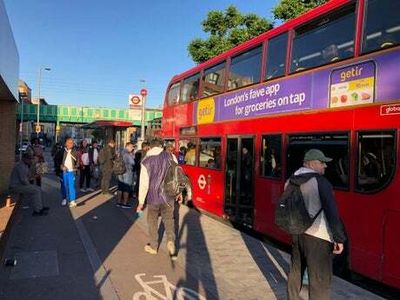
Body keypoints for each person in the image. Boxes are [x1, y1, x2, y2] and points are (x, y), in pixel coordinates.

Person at [287, 149, 346, 300]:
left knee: (295, 271)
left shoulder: (291, 180)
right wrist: (339, 239)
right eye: (322, 163)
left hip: (297, 234)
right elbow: (332, 214)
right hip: (318, 237)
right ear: (312, 163)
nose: (325, 166)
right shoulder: (321, 182)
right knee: (319, 280)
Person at [137, 138, 192, 258]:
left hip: (153, 197)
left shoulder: (146, 161)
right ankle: (171, 241)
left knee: (152, 221)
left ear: (150, 147)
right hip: (168, 196)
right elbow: (177, 175)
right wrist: (179, 194)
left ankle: (153, 246)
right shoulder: (170, 156)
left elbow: (143, 183)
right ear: (161, 146)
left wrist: (141, 202)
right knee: (169, 220)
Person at [54, 137, 79, 207]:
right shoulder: (61, 151)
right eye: (70, 142)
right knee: (64, 186)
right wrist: (61, 166)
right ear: (66, 143)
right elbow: (56, 160)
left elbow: (78, 160)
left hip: (71, 172)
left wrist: (76, 167)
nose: (72, 144)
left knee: (72, 186)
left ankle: (72, 200)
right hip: (63, 172)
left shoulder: (75, 151)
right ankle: (64, 198)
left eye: (72, 142)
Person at [116, 142, 135, 208]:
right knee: (127, 187)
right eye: (132, 147)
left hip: (119, 171)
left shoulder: (120, 152)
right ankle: (125, 203)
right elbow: (132, 162)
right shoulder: (127, 153)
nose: (133, 148)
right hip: (127, 171)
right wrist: (132, 155)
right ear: (128, 146)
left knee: (120, 187)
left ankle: (118, 202)